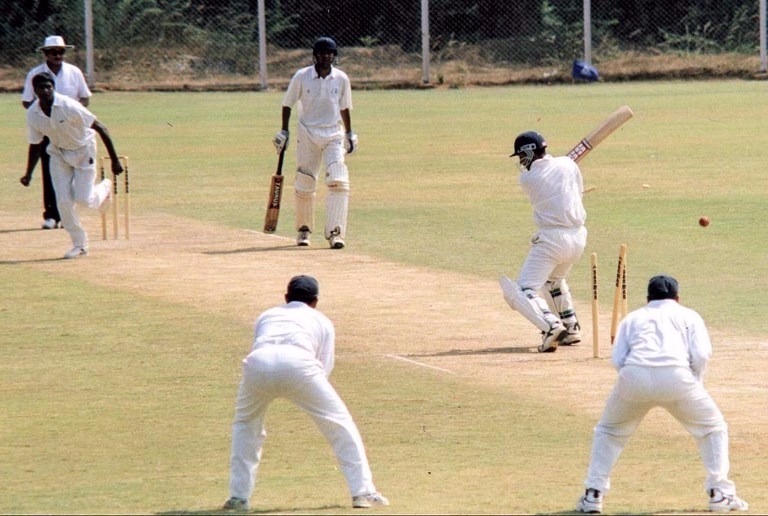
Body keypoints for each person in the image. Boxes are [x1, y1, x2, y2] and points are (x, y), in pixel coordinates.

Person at [576, 275, 748, 514]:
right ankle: (720, 493)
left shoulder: (633, 317)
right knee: (712, 429)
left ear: (648, 298)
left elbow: (617, 359)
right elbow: (701, 355)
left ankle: (593, 494)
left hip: (633, 376)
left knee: (609, 431)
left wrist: (634, 379)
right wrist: (695, 383)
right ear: (677, 298)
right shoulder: (689, 316)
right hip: (678, 378)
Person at [223, 275, 389, 511]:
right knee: (340, 424)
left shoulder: (267, 314)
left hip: (257, 363)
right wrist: (308, 395)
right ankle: (362, 493)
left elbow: (260, 346)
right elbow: (323, 366)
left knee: (245, 426)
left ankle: (238, 498)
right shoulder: (321, 320)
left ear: (286, 297)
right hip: (300, 364)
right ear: (315, 301)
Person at [499, 131, 586, 352]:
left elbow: (544, 174)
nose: (521, 162)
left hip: (552, 239)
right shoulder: (568, 165)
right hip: (578, 236)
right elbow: (578, 190)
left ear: (528, 152)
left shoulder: (528, 179)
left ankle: (551, 326)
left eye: (521, 156)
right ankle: (570, 326)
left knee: (524, 290)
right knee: (554, 280)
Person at [21, 72, 122, 259]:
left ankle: (105, 188)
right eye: (40, 88)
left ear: (53, 88)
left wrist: (114, 160)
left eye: (48, 87)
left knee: (84, 200)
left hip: (83, 151)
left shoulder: (68, 105)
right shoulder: (33, 114)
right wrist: (28, 173)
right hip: (58, 154)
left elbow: (100, 127)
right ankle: (80, 245)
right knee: (64, 202)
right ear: (34, 91)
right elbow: (35, 144)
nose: (45, 91)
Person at [273, 36, 357, 249]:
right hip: (307, 133)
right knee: (305, 182)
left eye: (329, 53)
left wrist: (349, 133)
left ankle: (335, 233)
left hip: (333, 135)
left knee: (338, 180)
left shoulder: (341, 78)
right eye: (321, 53)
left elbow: (345, 107)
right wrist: (284, 130)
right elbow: (287, 104)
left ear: (334, 56)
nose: (325, 56)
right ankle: (303, 230)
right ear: (314, 56)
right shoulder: (302, 76)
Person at [20, 35, 92, 230]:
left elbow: (85, 97)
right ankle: (51, 215)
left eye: (61, 52)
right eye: (53, 52)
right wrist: (43, 115)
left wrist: (73, 111)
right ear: (45, 54)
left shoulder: (74, 72)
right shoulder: (35, 74)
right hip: (48, 130)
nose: (57, 55)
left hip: (72, 130)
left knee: (74, 174)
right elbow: (27, 101)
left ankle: (68, 214)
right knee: (51, 172)